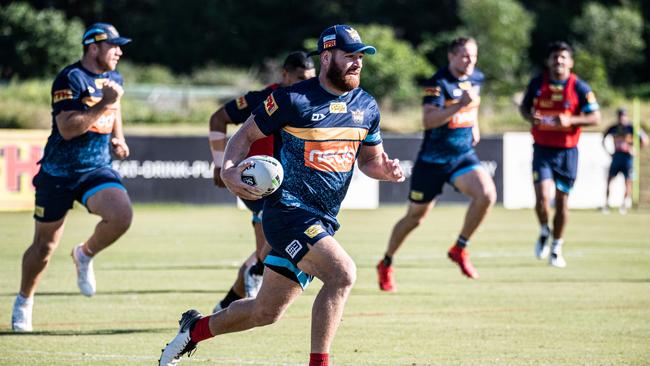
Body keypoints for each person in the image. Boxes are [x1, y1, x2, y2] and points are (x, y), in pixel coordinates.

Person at [159, 24, 405, 366]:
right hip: (287, 213)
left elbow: (370, 160)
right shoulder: (292, 99)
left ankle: (194, 329)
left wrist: (386, 170)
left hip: (323, 221)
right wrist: (229, 170)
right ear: (327, 56)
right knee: (342, 273)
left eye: (360, 57)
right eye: (350, 56)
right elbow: (243, 136)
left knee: (265, 312)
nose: (357, 63)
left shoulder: (366, 105)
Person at [10, 23, 133, 332]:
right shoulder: (70, 78)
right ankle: (24, 300)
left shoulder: (114, 77)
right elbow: (67, 128)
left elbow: (115, 108)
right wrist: (103, 102)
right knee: (44, 247)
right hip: (59, 173)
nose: (119, 51)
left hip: (95, 169)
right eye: (113, 45)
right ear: (93, 47)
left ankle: (84, 253)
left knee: (121, 216)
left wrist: (118, 138)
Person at [376, 37, 496, 291]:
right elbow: (429, 120)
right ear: (451, 57)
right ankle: (386, 263)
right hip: (432, 162)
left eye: (473, 56)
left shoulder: (477, 78)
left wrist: (474, 124)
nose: (470, 61)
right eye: (464, 56)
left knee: (486, 194)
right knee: (415, 218)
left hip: (462, 156)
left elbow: (473, 106)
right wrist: (458, 107)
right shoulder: (437, 83)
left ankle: (459, 248)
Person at [208, 51, 316, 311]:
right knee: (271, 248)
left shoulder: (312, 102)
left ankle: (227, 304)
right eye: (300, 78)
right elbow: (218, 118)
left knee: (268, 250)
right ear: (285, 75)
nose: (305, 84)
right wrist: (221, 162)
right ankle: (255, 272)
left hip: (289, 186)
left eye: (310, 79)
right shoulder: (262, 99)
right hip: (256, 180)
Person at [520, 41, 600, 268]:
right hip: (542, 149)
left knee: (562, 202)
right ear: (549, 61)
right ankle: (544, 229)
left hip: (567, 152)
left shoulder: (580, 88)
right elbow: (524, 108)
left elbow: (596, 118)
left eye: (563, 58)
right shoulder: (537, 83)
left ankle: (557, 246)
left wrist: (571, 120)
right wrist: (530, 117)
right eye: (555, 57)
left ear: (571, 62)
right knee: (542, 198)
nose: (559, 61)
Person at [602, 107, 649, 214]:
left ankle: (623, 205)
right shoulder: (613, 128)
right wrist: (608, 152)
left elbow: (645, 140)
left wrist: (635, 149)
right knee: (609, 180)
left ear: (626, 116)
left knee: (628, 181)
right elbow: (603, 138)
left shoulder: (632, 127)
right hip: (616, 157)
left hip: (627, 158)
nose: (621, 118)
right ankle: (606, 204)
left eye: (623, 115)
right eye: (620, 115)